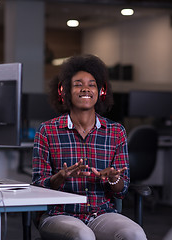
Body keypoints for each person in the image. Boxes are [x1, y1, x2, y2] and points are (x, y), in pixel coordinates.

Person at [32, 54, 147, 240]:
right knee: (82, 235)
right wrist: (60, 177)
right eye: (78, 84)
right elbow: (37, 186)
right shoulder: (47, 131)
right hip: (59, 215)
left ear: (101, 92)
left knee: (135, 234)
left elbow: (122, 188)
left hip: (101, 213)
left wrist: (113, 178)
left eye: (92, 84)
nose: (85, 88)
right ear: (64, 91)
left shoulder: (115, 131)